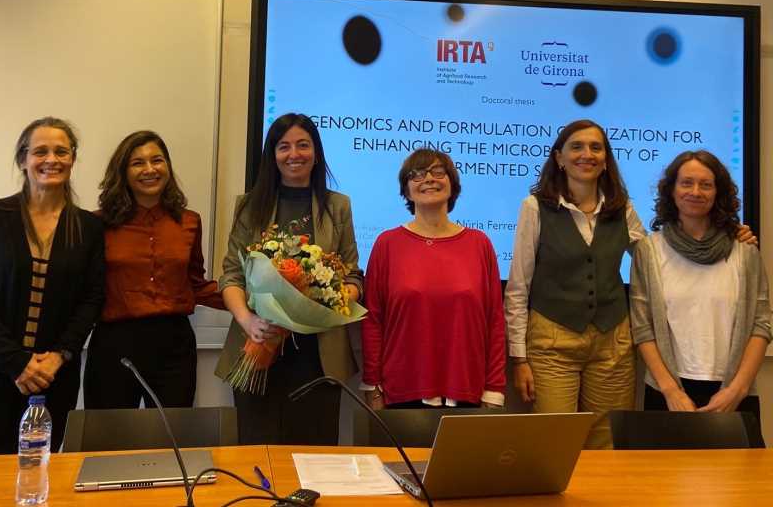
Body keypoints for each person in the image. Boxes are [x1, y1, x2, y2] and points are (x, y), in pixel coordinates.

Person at [214, 113, 363, 445]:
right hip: (259, 343)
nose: (294, 154)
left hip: (318, 355)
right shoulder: (249, 206)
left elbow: (352, 274)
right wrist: (248, 320)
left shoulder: (338, 206)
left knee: (315, 453)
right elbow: (232, 275)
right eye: (284, 146)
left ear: (316, 152)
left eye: (303, 145)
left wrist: (332, 301)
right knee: (257, 451)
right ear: (273, 155)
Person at [504, 119, 644, 449]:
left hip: (613, 341)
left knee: (606, 443)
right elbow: (518, 286)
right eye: (577, 147)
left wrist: (727, 233)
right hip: (553, 340)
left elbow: (655, 259)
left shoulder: (622, 208)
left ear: (606, 159)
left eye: (596, 148)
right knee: (554, 443)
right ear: (559, 158)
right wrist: (519, 359)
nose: (587, 154)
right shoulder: (535, 207)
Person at [0, 117, 104, 453]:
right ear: (23, 159)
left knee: (41, 471)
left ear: (72, 159)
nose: (52, 160)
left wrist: (59, 356)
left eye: (61, 151)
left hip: (54, 378)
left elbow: (91, 299)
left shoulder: (88, 227)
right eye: (40, 151)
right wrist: (16, 362)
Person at [630, 150, 771, 428]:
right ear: (671, 190)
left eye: (706, 184)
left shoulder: (744, 249)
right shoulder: (649, 249)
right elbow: (642, 327)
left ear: (718, 193)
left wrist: (738, 389)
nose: (695, 192)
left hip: (733, 393)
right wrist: (671, 391)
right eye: (686, 183)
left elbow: (761, 323)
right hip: (668, 392)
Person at [83, 131, 223, 409]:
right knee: (108, 432)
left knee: (171, 431)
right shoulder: (97, 224)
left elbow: (195, 284)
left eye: (157, 160)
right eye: (138, 163)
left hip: (174, 345)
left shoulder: (189, 222)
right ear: (123, 172)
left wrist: (252, 302)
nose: (150, 169)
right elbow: (86, 290)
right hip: (114, 343)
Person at [362, 149, 506, 410]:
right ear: (406, 191)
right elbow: (373, 320)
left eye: (438, 172)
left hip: (467, 389)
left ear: (452, 184)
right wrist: (373, 386)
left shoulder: (480, 244)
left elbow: (494, 321)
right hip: (401, 390)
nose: (429, 178)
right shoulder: (387, 244)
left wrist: (494, 388)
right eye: (417, 174)